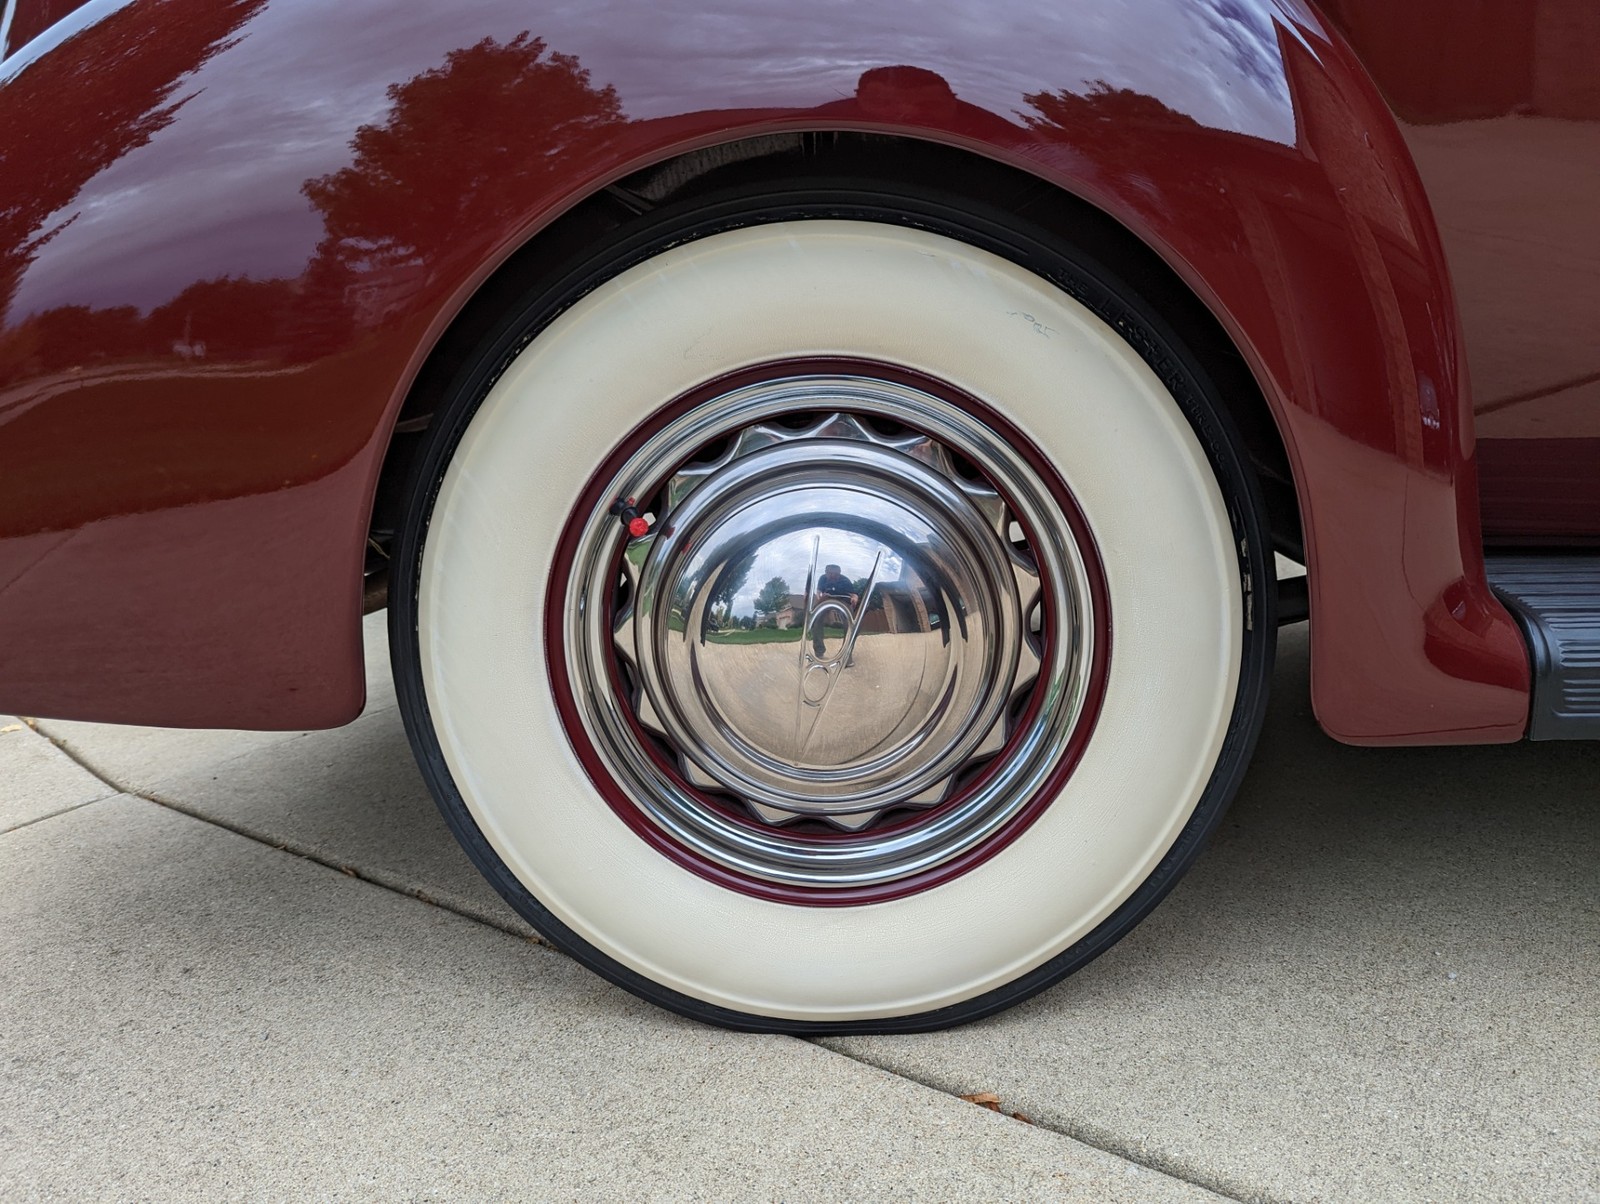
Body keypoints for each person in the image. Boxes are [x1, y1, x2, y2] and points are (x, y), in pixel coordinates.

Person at [813, 564, 859, 657]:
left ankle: (846, 654)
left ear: (840, 573)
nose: (833, 576)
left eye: (836, 574)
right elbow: (818, 592)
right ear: (826, 573)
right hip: (827, 598)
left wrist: (854, 599)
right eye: (830, 574)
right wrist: (820, 599)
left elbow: (854, 594)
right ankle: (819, 651)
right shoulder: (822, 578)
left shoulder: (845, 580)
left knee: (850, 623)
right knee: (816, 618)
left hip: (843, 600)